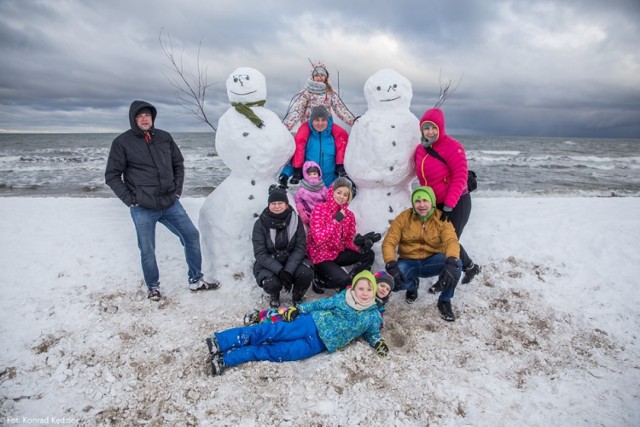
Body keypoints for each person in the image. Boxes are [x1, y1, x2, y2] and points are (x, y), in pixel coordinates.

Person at [105, 100, 220, 300]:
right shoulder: (122, 142)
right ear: (134, 119)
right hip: (142, 207)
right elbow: (112, 175)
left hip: (170, 203)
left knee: (191, 236)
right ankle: (153, 287)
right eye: (139, 116)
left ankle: (196, 280)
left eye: (147, 115)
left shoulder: (164, 138)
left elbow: (178, 164)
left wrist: (177, 191)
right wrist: (130, 199)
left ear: (152, 117)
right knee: (147, 249)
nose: (144, 119)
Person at [206, 271, 388, 375]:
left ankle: (226, 359)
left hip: (317, 344)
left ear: (374, 292)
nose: (364, 292)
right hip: (310, 323)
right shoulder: (343, 298)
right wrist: (298, 309)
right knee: (270, 331)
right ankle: (222, 342)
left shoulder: (373, 315)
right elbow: (320, 303)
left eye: (369, 289)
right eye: (360, 288)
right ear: (354, 288)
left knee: (275, 352)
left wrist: (377, 342)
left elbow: (372, 333)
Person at [414, 108, 481, 287]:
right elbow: (422, 179)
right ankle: (470, 266)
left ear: (441, 127)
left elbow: (460, 176)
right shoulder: (420, 150)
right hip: (436, 204)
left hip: (458, 202)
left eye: (433, 128)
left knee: (448, 242)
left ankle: (445, 279)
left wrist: (449, 205)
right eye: (426, 128)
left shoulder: (453, 146)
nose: (430, 132)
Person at [382, 186, 462, 321]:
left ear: (432, 202)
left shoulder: (441, 218)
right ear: (413, 203)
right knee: (393, 284)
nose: (422, 204)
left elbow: (451, 241)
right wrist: (390, 263)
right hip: (408, 262)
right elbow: (389, 242)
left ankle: (444, 301)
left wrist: (452, 261)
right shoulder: (403, 218)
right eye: (418, 201)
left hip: (432, 262)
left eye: (426, 200)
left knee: (457, 265)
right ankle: (412, 285)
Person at [282, 62, 355, 187]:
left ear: (326, 77)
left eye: (322, 75)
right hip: (309, 123)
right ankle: (297, 169)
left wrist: (353, 121)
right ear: (312, 76)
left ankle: (339, 165)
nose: (319, 77)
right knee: (300, 138)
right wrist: (285, 126)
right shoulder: (306, 92)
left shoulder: (330, 93)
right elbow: (298, 110)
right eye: (316, 75)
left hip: (328, 123)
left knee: (342, 134)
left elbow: (340, 109)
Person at [243, 270, 393, 327]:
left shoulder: (378, 307)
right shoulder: (356, 294)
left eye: (387, 289)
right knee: (294, 315)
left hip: (329, 324)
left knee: (291, 325)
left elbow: (375, 321)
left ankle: (263, 323)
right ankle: (262, 316)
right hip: (324, 313)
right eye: (381, 286)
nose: (383, 290)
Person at [306, 177, 375, 293]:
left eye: (345, 194)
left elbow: (348, 240)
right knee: (344, 280)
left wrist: (359, 245)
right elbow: (319, 239)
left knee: (368, 254)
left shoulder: (349, 215)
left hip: (337, 253)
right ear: (332, 191)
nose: (341, 197)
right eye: (339, 192)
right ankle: (320, 280)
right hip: (320, 256)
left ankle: (355, 282)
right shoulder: (320, 209)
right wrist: (336, 221)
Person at [252, 186, 314, 308]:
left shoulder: (296, 220)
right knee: (271, 283)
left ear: (286, 204)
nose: (277, 206)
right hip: (269, 262)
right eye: (273, 203)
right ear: (269, 205)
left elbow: (300, 247)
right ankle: (274, 294)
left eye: (280, 203)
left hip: (292, 260)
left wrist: (288, 270)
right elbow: (260, 254)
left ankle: (297, 296)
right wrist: (280, 271)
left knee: (306, 273)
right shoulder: (260, 224)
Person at [280, 106, 352, 189]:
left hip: (331, 187)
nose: (320, 123)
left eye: (323, 120)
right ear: (311, 121)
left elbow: (345, 158)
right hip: (309, 189)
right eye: (317, 120)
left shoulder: (334, 138)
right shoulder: (306, 138)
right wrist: (284, 175)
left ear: (328, 121)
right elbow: (295, 159)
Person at [294, 160, 328, 226]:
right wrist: (302, 212)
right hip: (308, 214)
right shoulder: (302, 189)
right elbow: (298, 201)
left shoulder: (322, 187)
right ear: (305, 175)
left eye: (314, 174)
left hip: (322, 214)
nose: (312, 176)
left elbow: (328, 199)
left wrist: (326, 211)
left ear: (319, 174)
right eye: (310, 174)